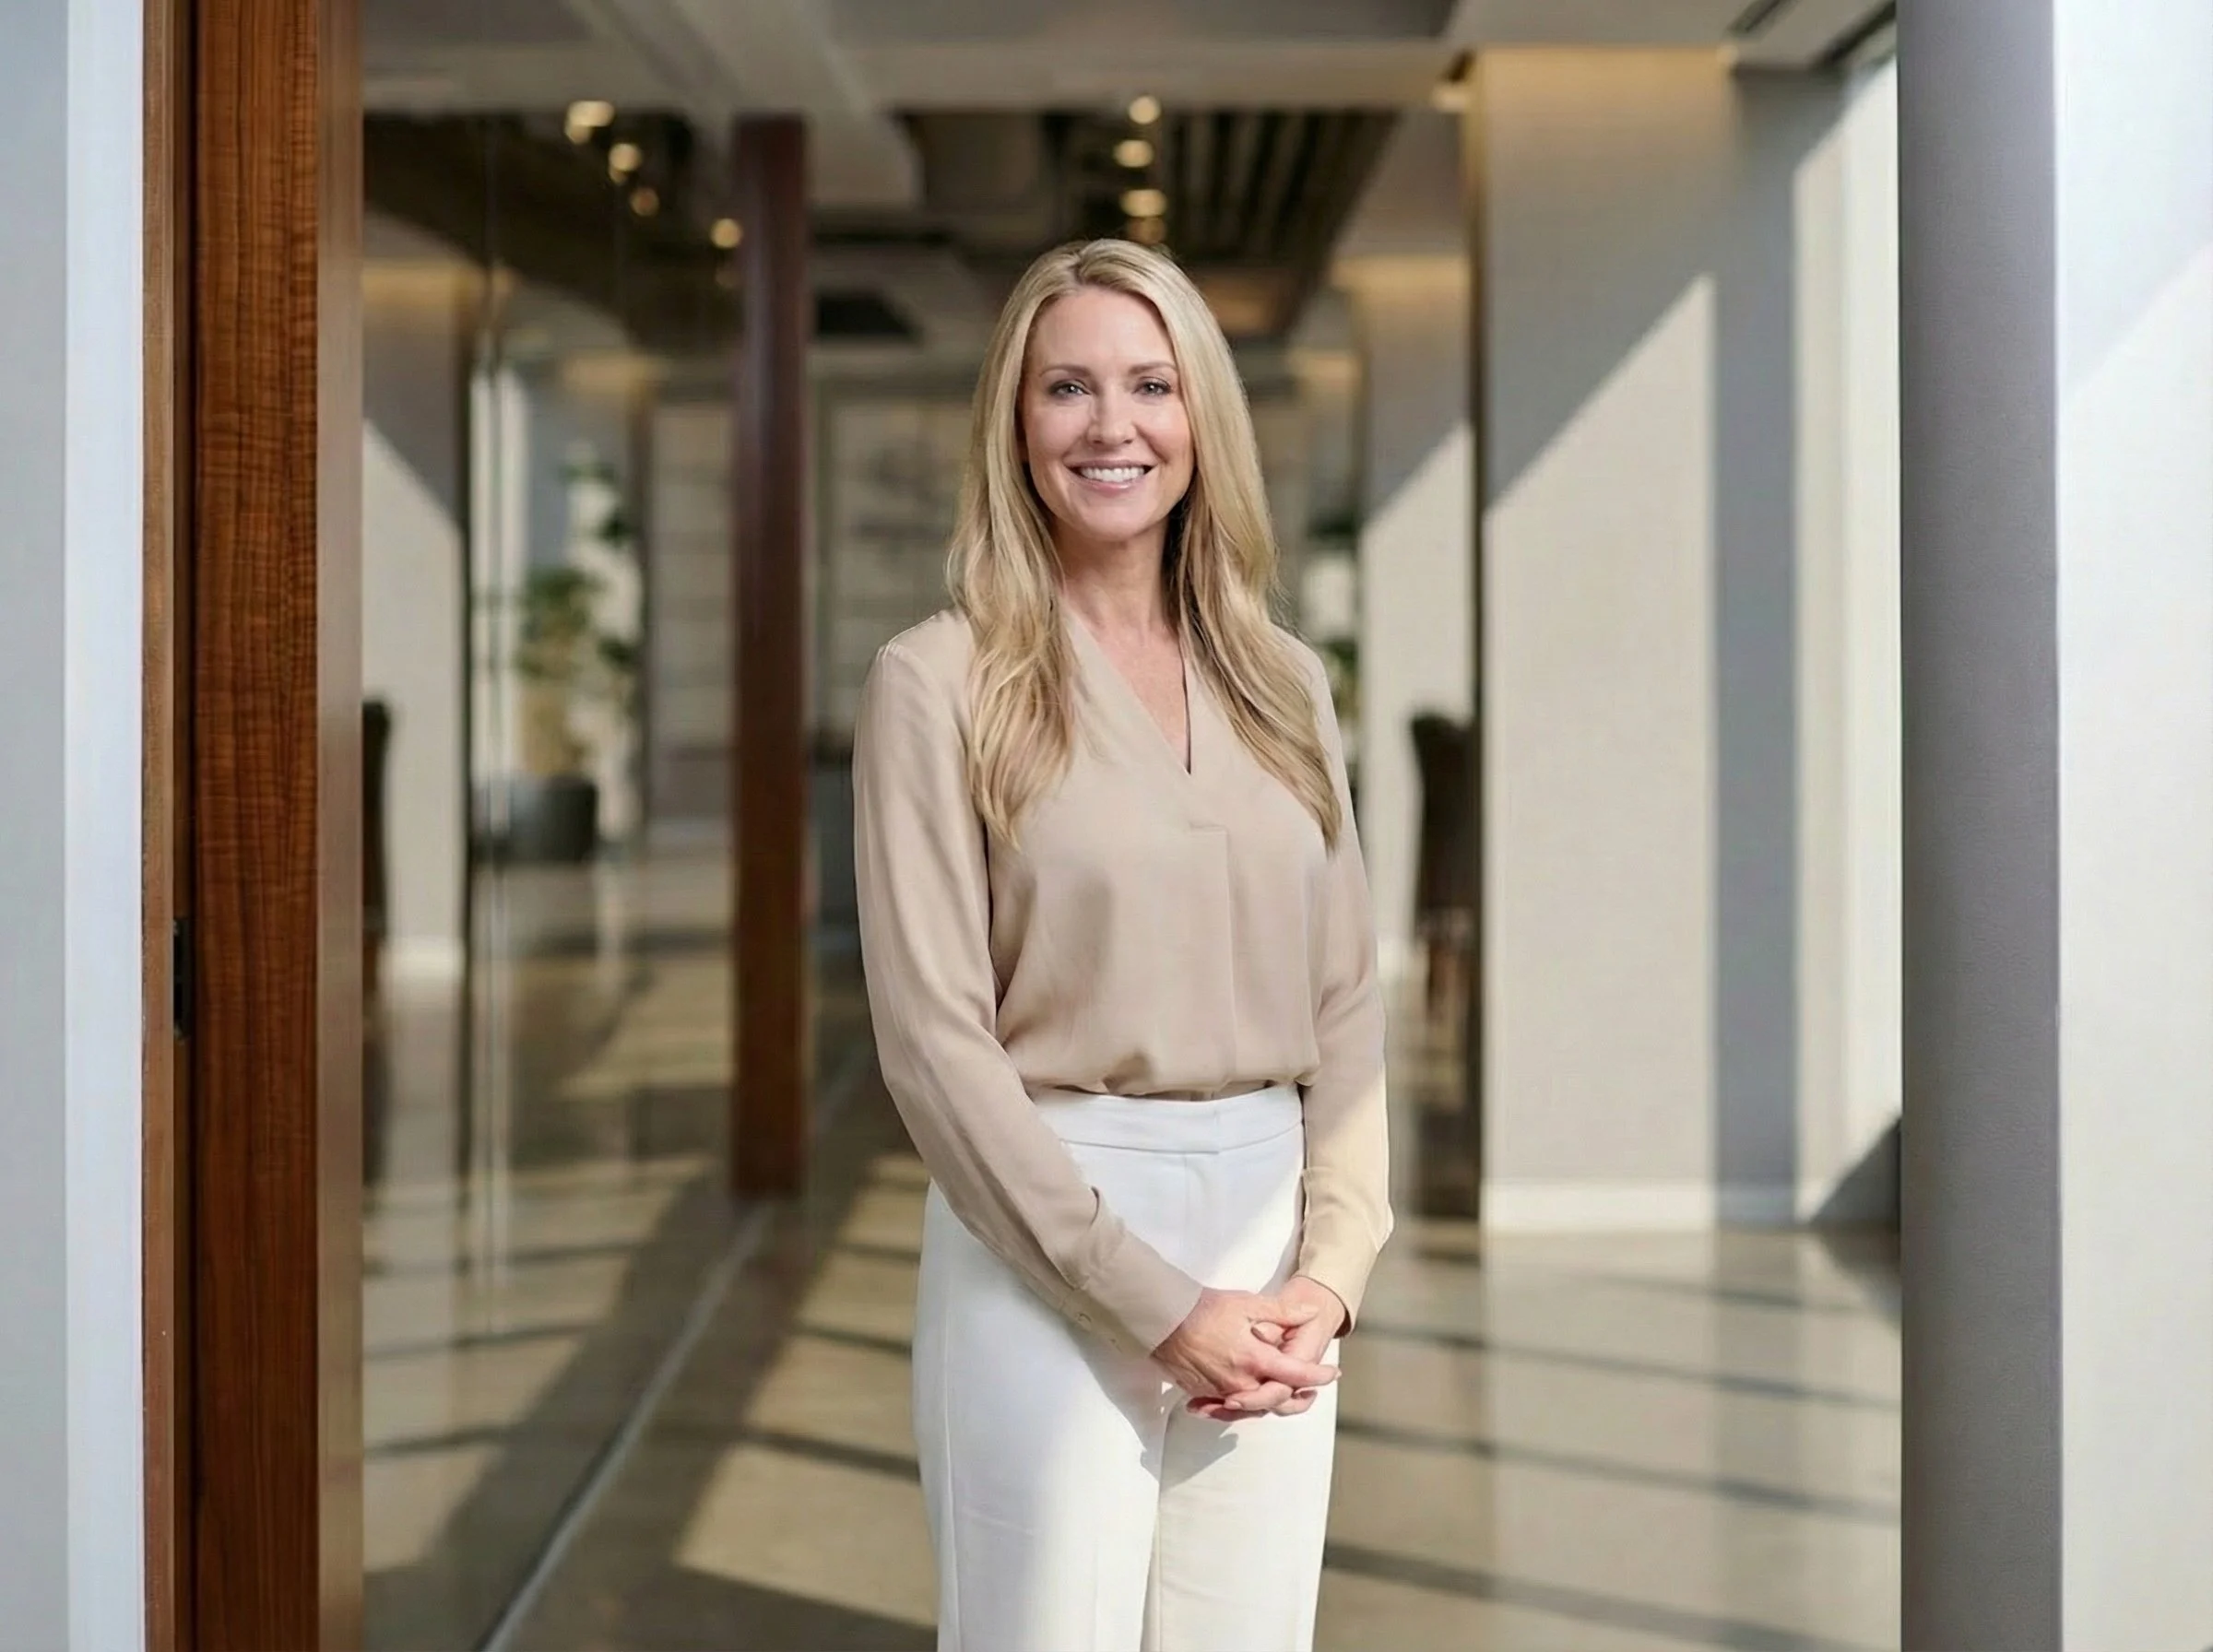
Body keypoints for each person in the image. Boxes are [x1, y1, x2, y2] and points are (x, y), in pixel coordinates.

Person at [852, 237, 1392, 1652]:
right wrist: (1157, 1305)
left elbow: (1344, 1011)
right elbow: (934, 1048)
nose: (1113, 426)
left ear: (1201, 416)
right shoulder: (938, 682)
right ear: (1015, 426)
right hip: (1047, 1245)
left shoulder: (1287, 682)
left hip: (1274, 1270)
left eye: (1152, 385)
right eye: (1067, 389)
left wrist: (1329, 1277)